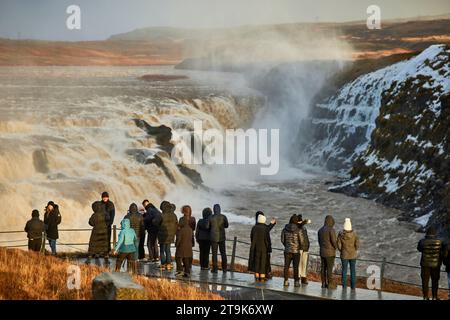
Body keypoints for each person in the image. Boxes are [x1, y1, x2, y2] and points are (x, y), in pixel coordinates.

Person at [417, 226, 444, 300]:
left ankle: (425, 297)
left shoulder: (422, 241)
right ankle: (434, 297)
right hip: (436, 265)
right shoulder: (440, 242)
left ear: (427, 233)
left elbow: (419, 249)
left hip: (425, 264)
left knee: (425, 281)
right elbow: (442, 252)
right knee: (435, 281)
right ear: (435, 233)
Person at [153, 201, 178, 270]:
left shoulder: (161, 215)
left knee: (162, 250)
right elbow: (176, 223)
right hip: (171, 235)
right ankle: (169, 264)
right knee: (168, 249)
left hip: (162, 236)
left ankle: (163, 264)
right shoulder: (174, 215)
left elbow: (155, 222)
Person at [337, 218, 360, 290]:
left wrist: (342, 250)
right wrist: (354, 250)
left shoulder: (340, 235)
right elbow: (357, 245)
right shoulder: (355, 234)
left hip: (344, 255)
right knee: (353, 270)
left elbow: (339, 245)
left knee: (344, 271)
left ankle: (344, 287)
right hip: (353, 255)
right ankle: (353, 287)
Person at [86, 201, 110, 265]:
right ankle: (106, 258)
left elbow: (90, 223)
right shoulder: (106, 214)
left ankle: (89, 258)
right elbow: (108, 221)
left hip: (96, 232)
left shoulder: (94, 215)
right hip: (104, 231)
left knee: (93, 244)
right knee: (104, 245)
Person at [249, 214, 271, 282]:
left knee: (256, 264)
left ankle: (257, 280)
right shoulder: (265, 229)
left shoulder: (254, 228)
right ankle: (262, 280)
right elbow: (268, 240)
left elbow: (251, 238)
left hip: (255, 248)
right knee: (263, 265)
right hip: (264, 249)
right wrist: (269, 248)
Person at [281, 214, 302, 287]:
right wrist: (298, 247)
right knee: (296, 267)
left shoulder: (284, 229)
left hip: (287, 251)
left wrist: (287, 246)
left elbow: (282, 240)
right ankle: (296, 282)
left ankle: (286, 281)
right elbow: (301, 241)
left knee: (286, 266)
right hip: (296, 251)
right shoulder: (299, 230)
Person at [254, 211, 276, 278]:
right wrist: (272, 224)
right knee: (264, 262)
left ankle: (257, 277)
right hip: (264, 248)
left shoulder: (255, 226)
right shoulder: (263, 227)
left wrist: (272, 224)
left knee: (258, 262)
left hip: (256, 247)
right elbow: (267, 230)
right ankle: (265, 275)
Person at [318, 215, 337, 289]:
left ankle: (323, 283)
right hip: (330, 253)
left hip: (322, 252)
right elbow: (333, 242)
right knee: (329, 269)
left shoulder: (320, 230)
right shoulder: (331, 230)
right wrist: (336, 247)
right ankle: (330, 284)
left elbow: (319, 242)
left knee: (323, 268)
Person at [209, 204, 229, 274]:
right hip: (222, 237)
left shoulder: (211, 217)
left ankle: (215, 269)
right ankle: (224, 268)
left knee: (214, 254)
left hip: (213, 238)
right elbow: (226, 225)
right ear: (220, 209)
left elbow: (207, 226)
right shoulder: (223, 217)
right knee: (223, 253)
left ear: (214, 209)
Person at [297, 214, 311, 284]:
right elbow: (299, 225)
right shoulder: (297, 227)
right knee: (299, 263)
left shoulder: (304, 228)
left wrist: (308, 244)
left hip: (305, 247)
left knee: (304, 264)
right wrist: (305, 222)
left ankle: (303, 277)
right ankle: (298, 277)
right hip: (299, 248)